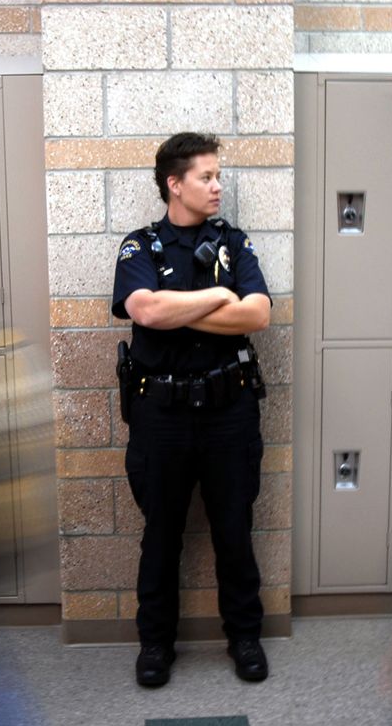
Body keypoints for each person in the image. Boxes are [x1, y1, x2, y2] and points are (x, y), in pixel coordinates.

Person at [112, 132, 272, 687]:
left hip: (229, 411)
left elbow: (257, 316)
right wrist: (219, 297)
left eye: (218, 176)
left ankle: (244, 637)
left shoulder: (235, 243)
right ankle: (155, 645)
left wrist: (183, 309)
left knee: (234, 529)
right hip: (162, 417)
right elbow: (145, 310)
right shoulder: (139, 247)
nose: (217, 186)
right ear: (173, 184)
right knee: (161, 534)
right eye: (207, 177)